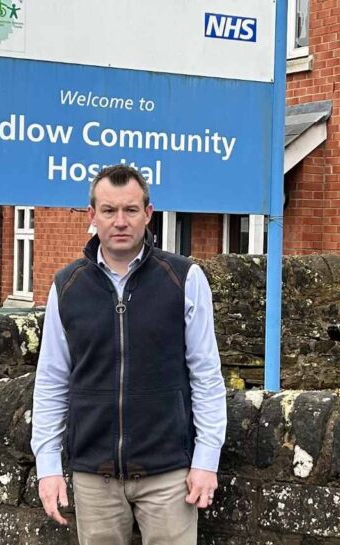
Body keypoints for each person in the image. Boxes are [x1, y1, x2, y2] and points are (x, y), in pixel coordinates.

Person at [31, 164, 227, 544]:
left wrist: (206, 460)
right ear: (92, 216)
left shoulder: (184, 278)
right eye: (108, 210)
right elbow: (52, 381)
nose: (120, 221)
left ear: (148, 214)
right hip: (94, 475)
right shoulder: (66, 286)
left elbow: (206, 376)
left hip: (169, 473)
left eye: (131, 210)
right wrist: (48, 465)